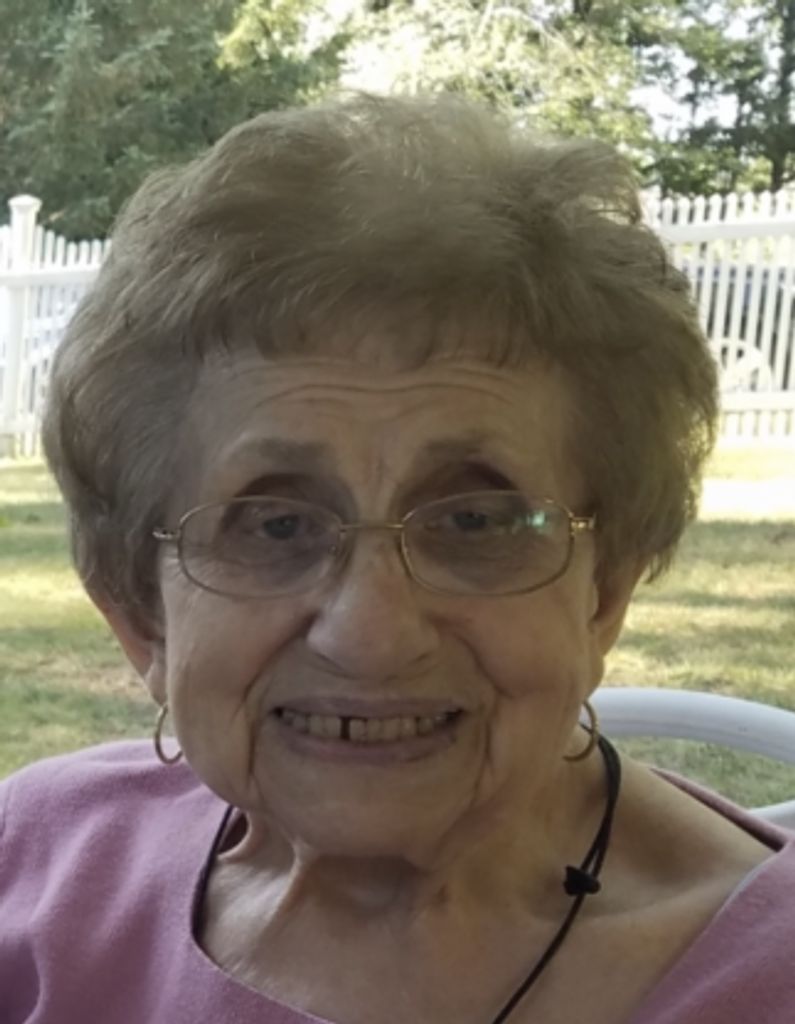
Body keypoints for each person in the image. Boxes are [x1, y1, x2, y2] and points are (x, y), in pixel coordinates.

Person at [1, 92, 792, 1024]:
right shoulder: (39, 867)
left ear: (603, 592)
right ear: (141, 615)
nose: (370, 635)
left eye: (475, 523)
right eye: (275, 526)